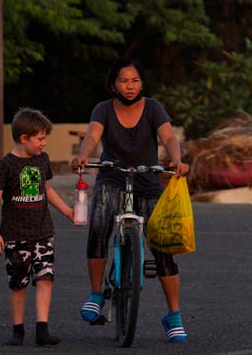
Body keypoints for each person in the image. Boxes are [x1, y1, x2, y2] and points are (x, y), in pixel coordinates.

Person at [71, 58, 191, 343]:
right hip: (112, 178)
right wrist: (84, 154)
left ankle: (173, 315)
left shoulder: (153, 107)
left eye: (134, 80)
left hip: (148, 181)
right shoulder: (103, 109)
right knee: (99, 227)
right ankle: (96, 294)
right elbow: (92, 136)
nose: (129, 86)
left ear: (142, 83)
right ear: (113, 84)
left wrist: (176, 159)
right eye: (123, 81)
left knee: (163, 246)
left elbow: (169, 138)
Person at [0, 108, 75, 346]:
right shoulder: (5, 165)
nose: (44, 143)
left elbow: (47, 190)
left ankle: (42, 329)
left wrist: (67, 211)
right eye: (40, 138)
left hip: (42, 232)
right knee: (18, 283)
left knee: (45, 277)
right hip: (14, 235)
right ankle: (18, 330)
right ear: (24, 138)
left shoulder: (42, 160)